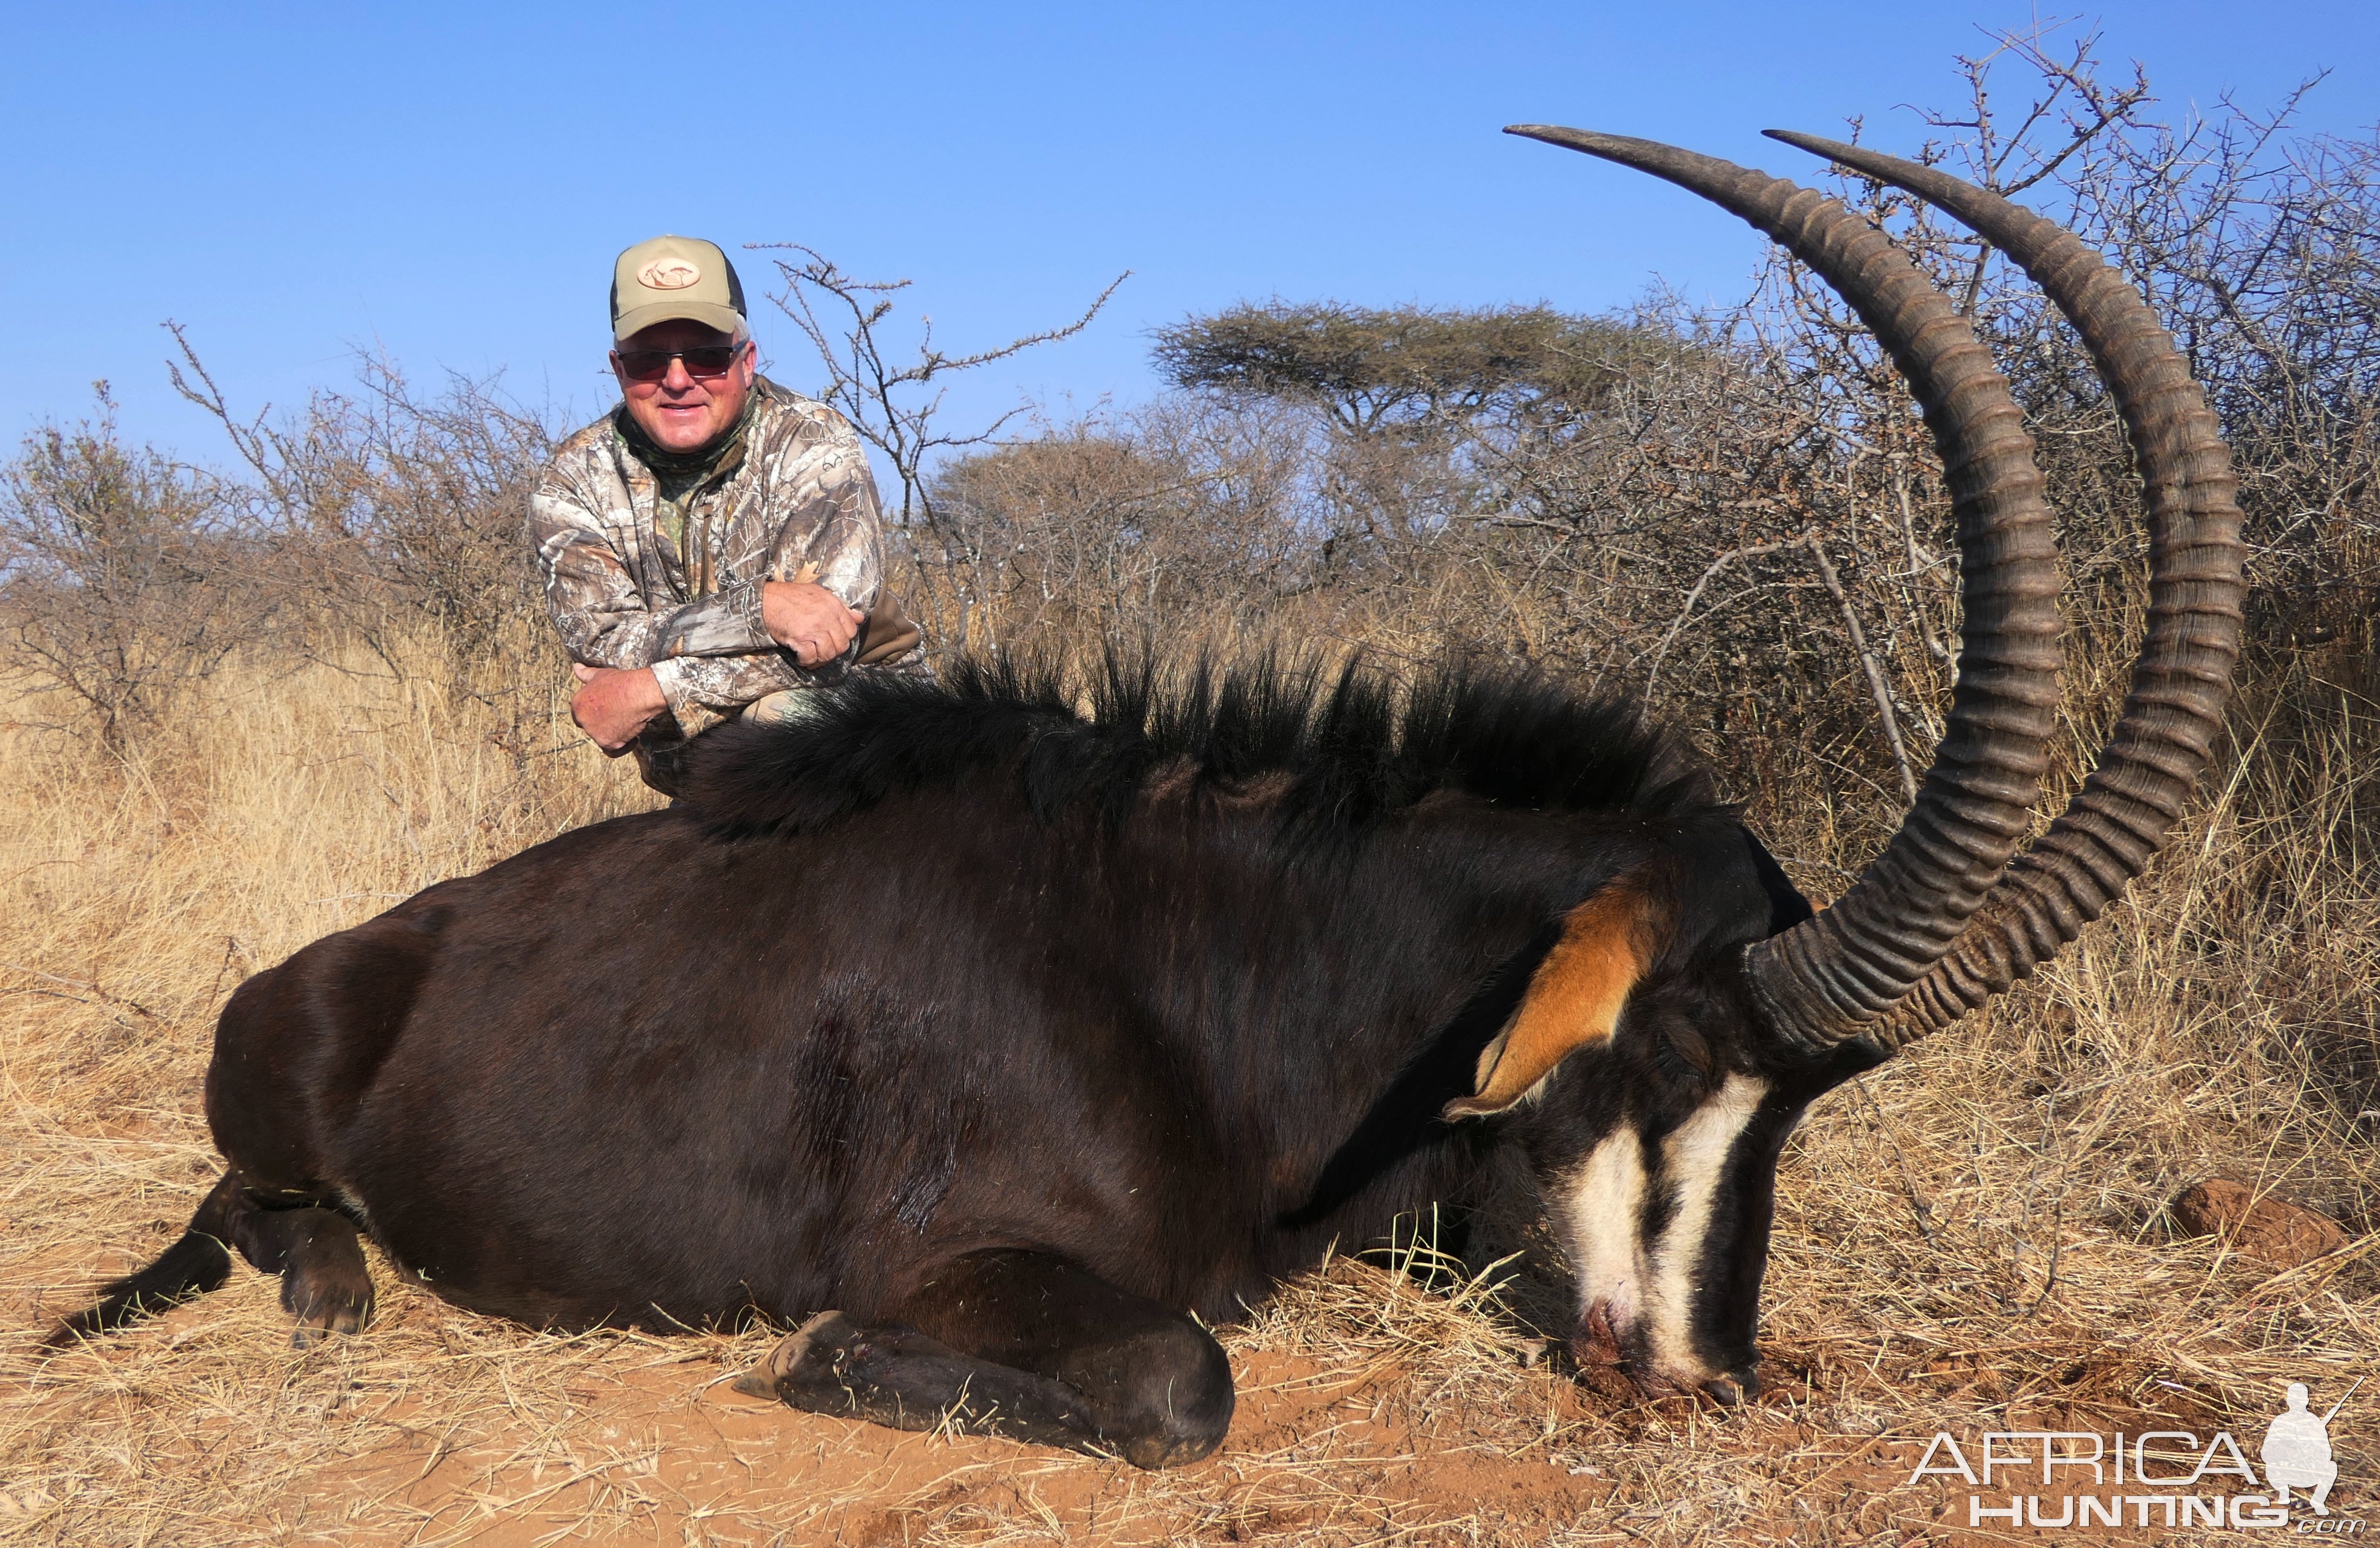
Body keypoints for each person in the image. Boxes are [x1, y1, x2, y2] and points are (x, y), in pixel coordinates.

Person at [528, 233, 921, 794]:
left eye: (708, 356)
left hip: (867, 725)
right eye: (648, 360)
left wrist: (652, 688)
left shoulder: (813, 443)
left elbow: (826, 650)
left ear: (747, 360)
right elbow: (601, 646)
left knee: (780, 720)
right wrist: (760, 613)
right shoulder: (574, 476)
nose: (679, 380)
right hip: (701, 770)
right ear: (618, 370)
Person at [2261, 1382, 2339, 1515]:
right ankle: (2284, 1491)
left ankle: (2318, 1500)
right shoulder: (2280, 1421)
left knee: (2332, 1467)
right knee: (2270, 1466)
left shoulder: (2314, 1422)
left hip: (2308, 1472)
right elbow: (2267, 1450)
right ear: (2288, 1401)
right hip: (2284, 1472)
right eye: (2293, 1400)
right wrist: (2284, 1454)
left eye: (2300, 1400)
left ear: (2306, 1401)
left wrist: (2311, 1451)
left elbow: (2327, 1452)